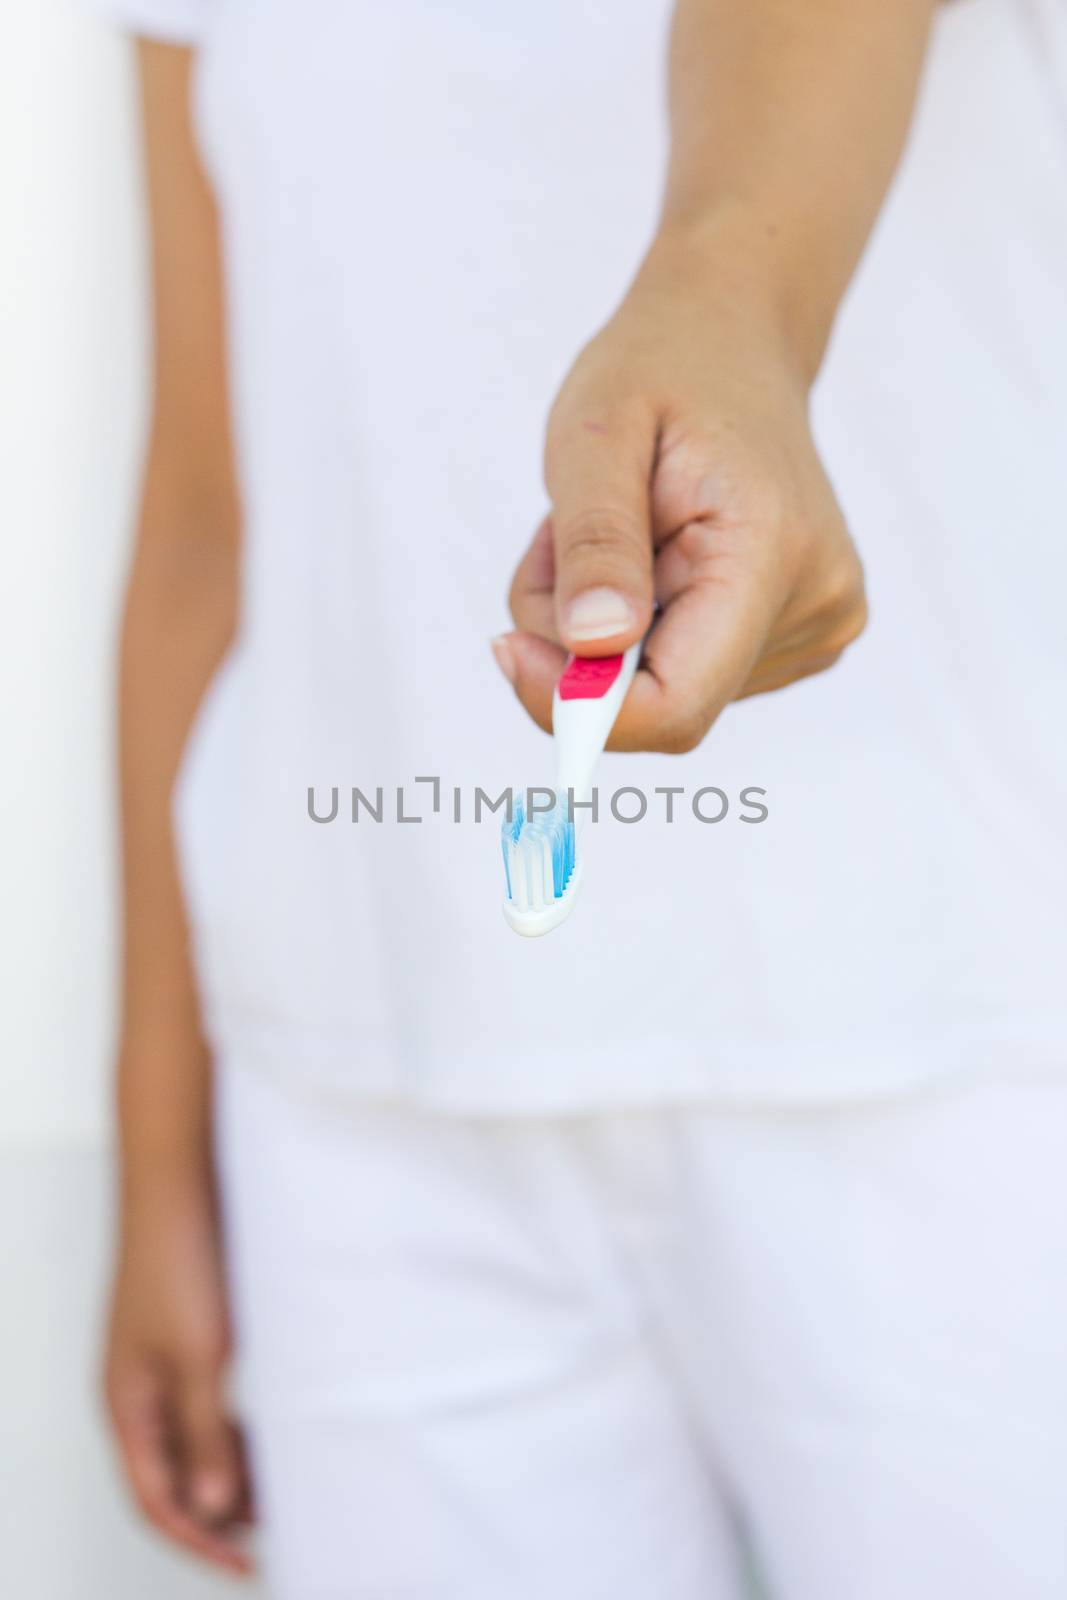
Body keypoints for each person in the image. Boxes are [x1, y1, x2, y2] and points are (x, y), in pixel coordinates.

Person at [97, 0, 1067, 1595]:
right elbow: (212, 503)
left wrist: (722, 302)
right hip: (372, 1097)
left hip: (946, 1043)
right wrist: (159, 1144)